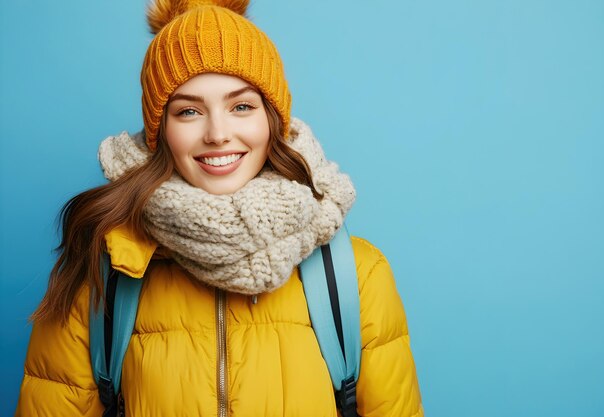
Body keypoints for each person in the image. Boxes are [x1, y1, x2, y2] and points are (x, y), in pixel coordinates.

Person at [15, 0, 424, 416]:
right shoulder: (105, 272)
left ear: (272, 119)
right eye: (188, 111)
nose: (217, 133)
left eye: (241, 106)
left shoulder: (356, 276)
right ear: (160, 131)